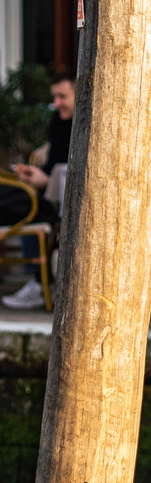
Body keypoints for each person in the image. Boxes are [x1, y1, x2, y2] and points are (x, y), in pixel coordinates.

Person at [1, 70, 75, 311]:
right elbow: (52, 165)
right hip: (50, 193)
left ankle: (39, 282)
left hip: (67, 197)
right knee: (24, 203)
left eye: (62, 97)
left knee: (28, 207)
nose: (57, 103)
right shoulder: (58, 122)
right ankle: (39, 281)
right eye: (55, 97)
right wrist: (35, 174)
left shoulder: (85, 123)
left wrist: (43, 178)